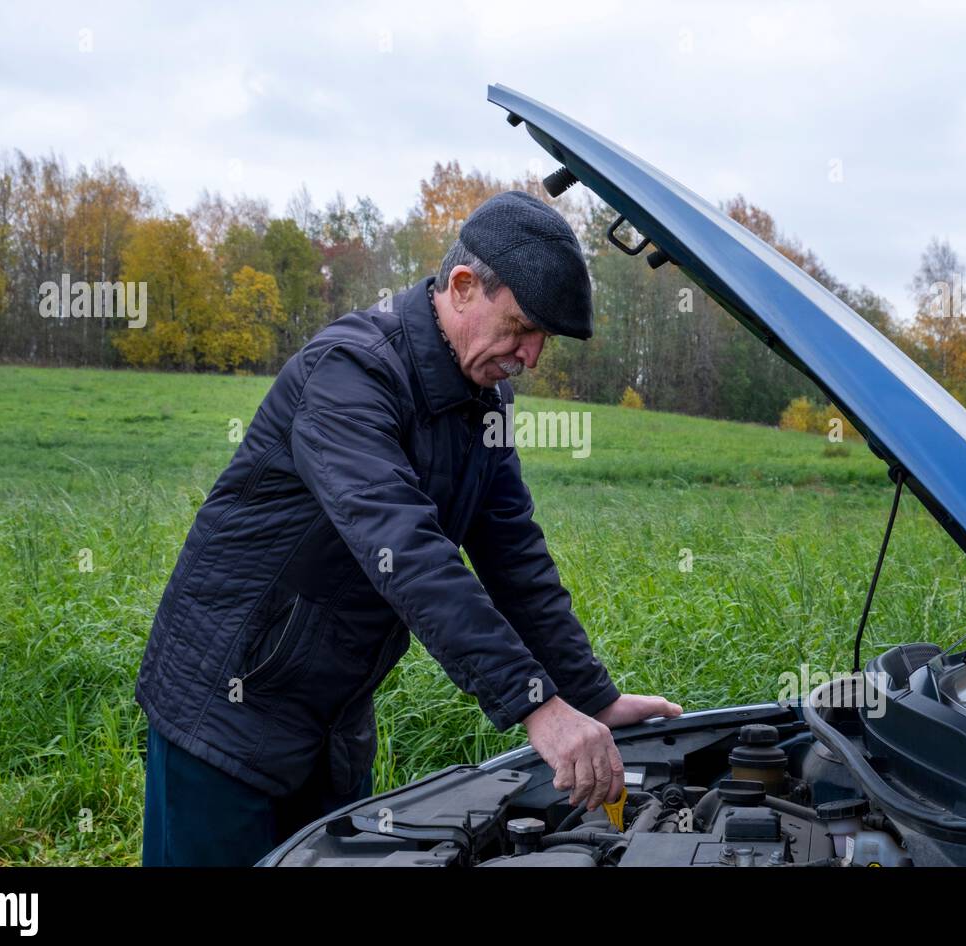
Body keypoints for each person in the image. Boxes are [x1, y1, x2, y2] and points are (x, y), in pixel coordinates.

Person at [135, 189, 682, 866]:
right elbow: (407, 552)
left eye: (543, 340)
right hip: (227, 708)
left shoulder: (484, 401)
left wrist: (591, 698)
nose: (532, 356)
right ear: (461, 287)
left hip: (330, 718)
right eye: (520, 327)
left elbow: (513, 555)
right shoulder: (351, 373)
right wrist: (536, 706)